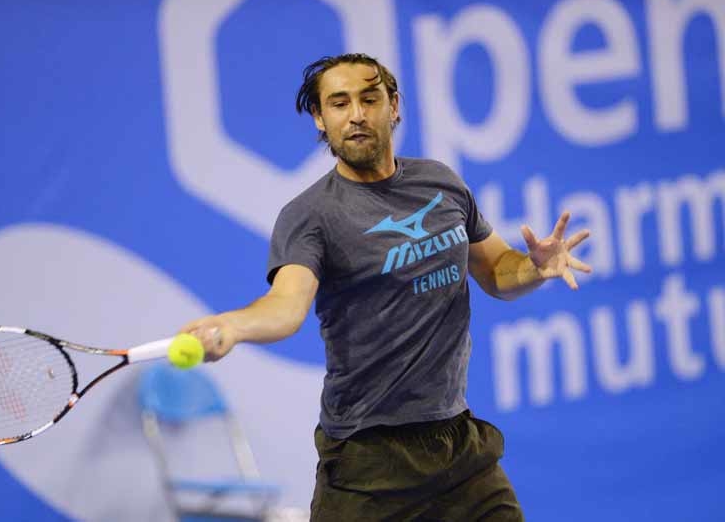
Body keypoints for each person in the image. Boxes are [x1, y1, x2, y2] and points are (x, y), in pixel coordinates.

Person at [181, 53, 591, 521]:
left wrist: (534, 269)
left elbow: (497, 270)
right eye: (339, 104)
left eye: (369, 99)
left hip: (458, 449)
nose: (356, 115)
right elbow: (286, 304)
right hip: (367, 462)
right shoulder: (310, 216)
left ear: (393, 106)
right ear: (320, 118)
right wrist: (232, 327)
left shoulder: (440, 183)